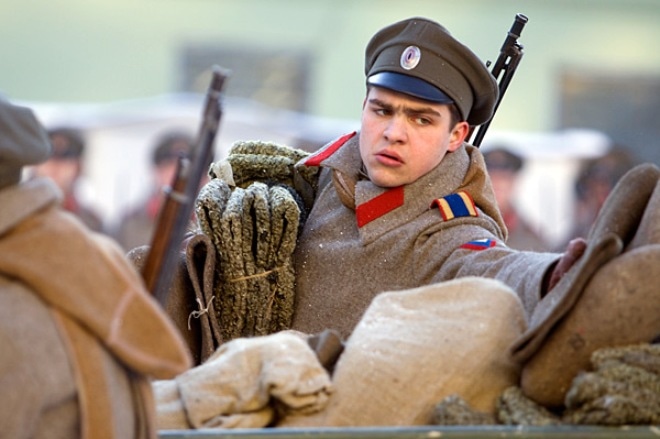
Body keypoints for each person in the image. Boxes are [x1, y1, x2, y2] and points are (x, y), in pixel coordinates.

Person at [287, 17, 585, 340]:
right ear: (364, 107)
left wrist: (549, 276)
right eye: (382, 111)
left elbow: (493, 265)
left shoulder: (446, 228)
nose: (394, 133)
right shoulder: (317, 178)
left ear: (456, 135)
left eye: (421, 120)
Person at [114, 131, 195, 251]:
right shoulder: (130, 224)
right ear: (156, 171)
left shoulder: (206, 224)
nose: (179, 177)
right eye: (170, 167)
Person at [29, 127, 105, 232]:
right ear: (35, 165)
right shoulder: (17, 213)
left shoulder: (92, 222)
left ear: (78, 168)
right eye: (48, 159)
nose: (54, 167)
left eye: (64, 161)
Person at [482, 146, 550, 251]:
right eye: (490, 178)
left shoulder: (530, 237)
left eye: (503, 178)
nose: (497, 184)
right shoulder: (464, 223)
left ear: (514, 183)